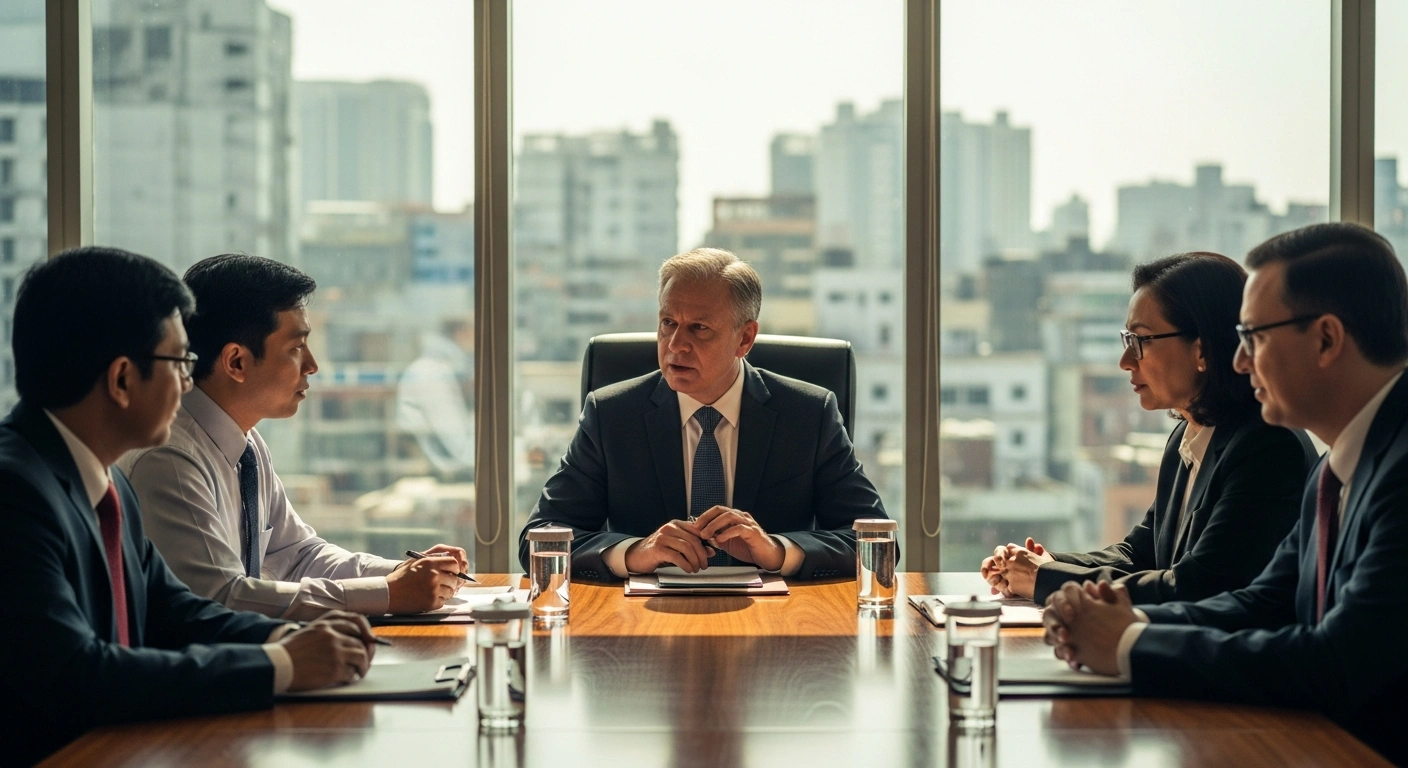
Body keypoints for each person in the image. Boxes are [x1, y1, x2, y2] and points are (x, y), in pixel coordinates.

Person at [1042, 223, 1408, 765]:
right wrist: (1124, 623)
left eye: (1254, 337)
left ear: (1327, 339)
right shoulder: (1336, 468)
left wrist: (1127, 645)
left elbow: (1336, 661)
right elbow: (1262, 603)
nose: (1237, 361)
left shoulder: (1399, 472)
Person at [0, 247, 381, 765]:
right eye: (180, 362)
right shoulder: (15, 491)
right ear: (121, 379)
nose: (189, 381)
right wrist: (280, 665)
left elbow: (176, 610)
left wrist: (291, 635)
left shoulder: (104, 483)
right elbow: (76, 675)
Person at [119, 254, 467, 621]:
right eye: (296, 348)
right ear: (236, 362)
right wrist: (388, 593)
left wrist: (402, 576)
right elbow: (220, 597)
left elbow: (299, 555)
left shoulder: (246, 444)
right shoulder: (170, 459)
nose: (312, 365)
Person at [518, 247, 889, 580]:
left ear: (744, 339)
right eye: (668, 323)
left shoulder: (808, 414)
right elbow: (540, 538)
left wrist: (776, 550)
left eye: (699, 328)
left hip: (776, 627)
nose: (676, 345)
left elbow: (875, 539)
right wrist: (635, 552)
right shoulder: (612, 415)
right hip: (641, 626)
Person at [981, 253, 1316, 605]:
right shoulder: (1187, 439)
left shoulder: (1267, 448)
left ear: (1202, 351)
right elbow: (1139, 555)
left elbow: (1196, 587)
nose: (1125, 362)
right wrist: (1042, 566)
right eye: (1127, 340)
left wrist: (1044, 580)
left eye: (1140, 341)